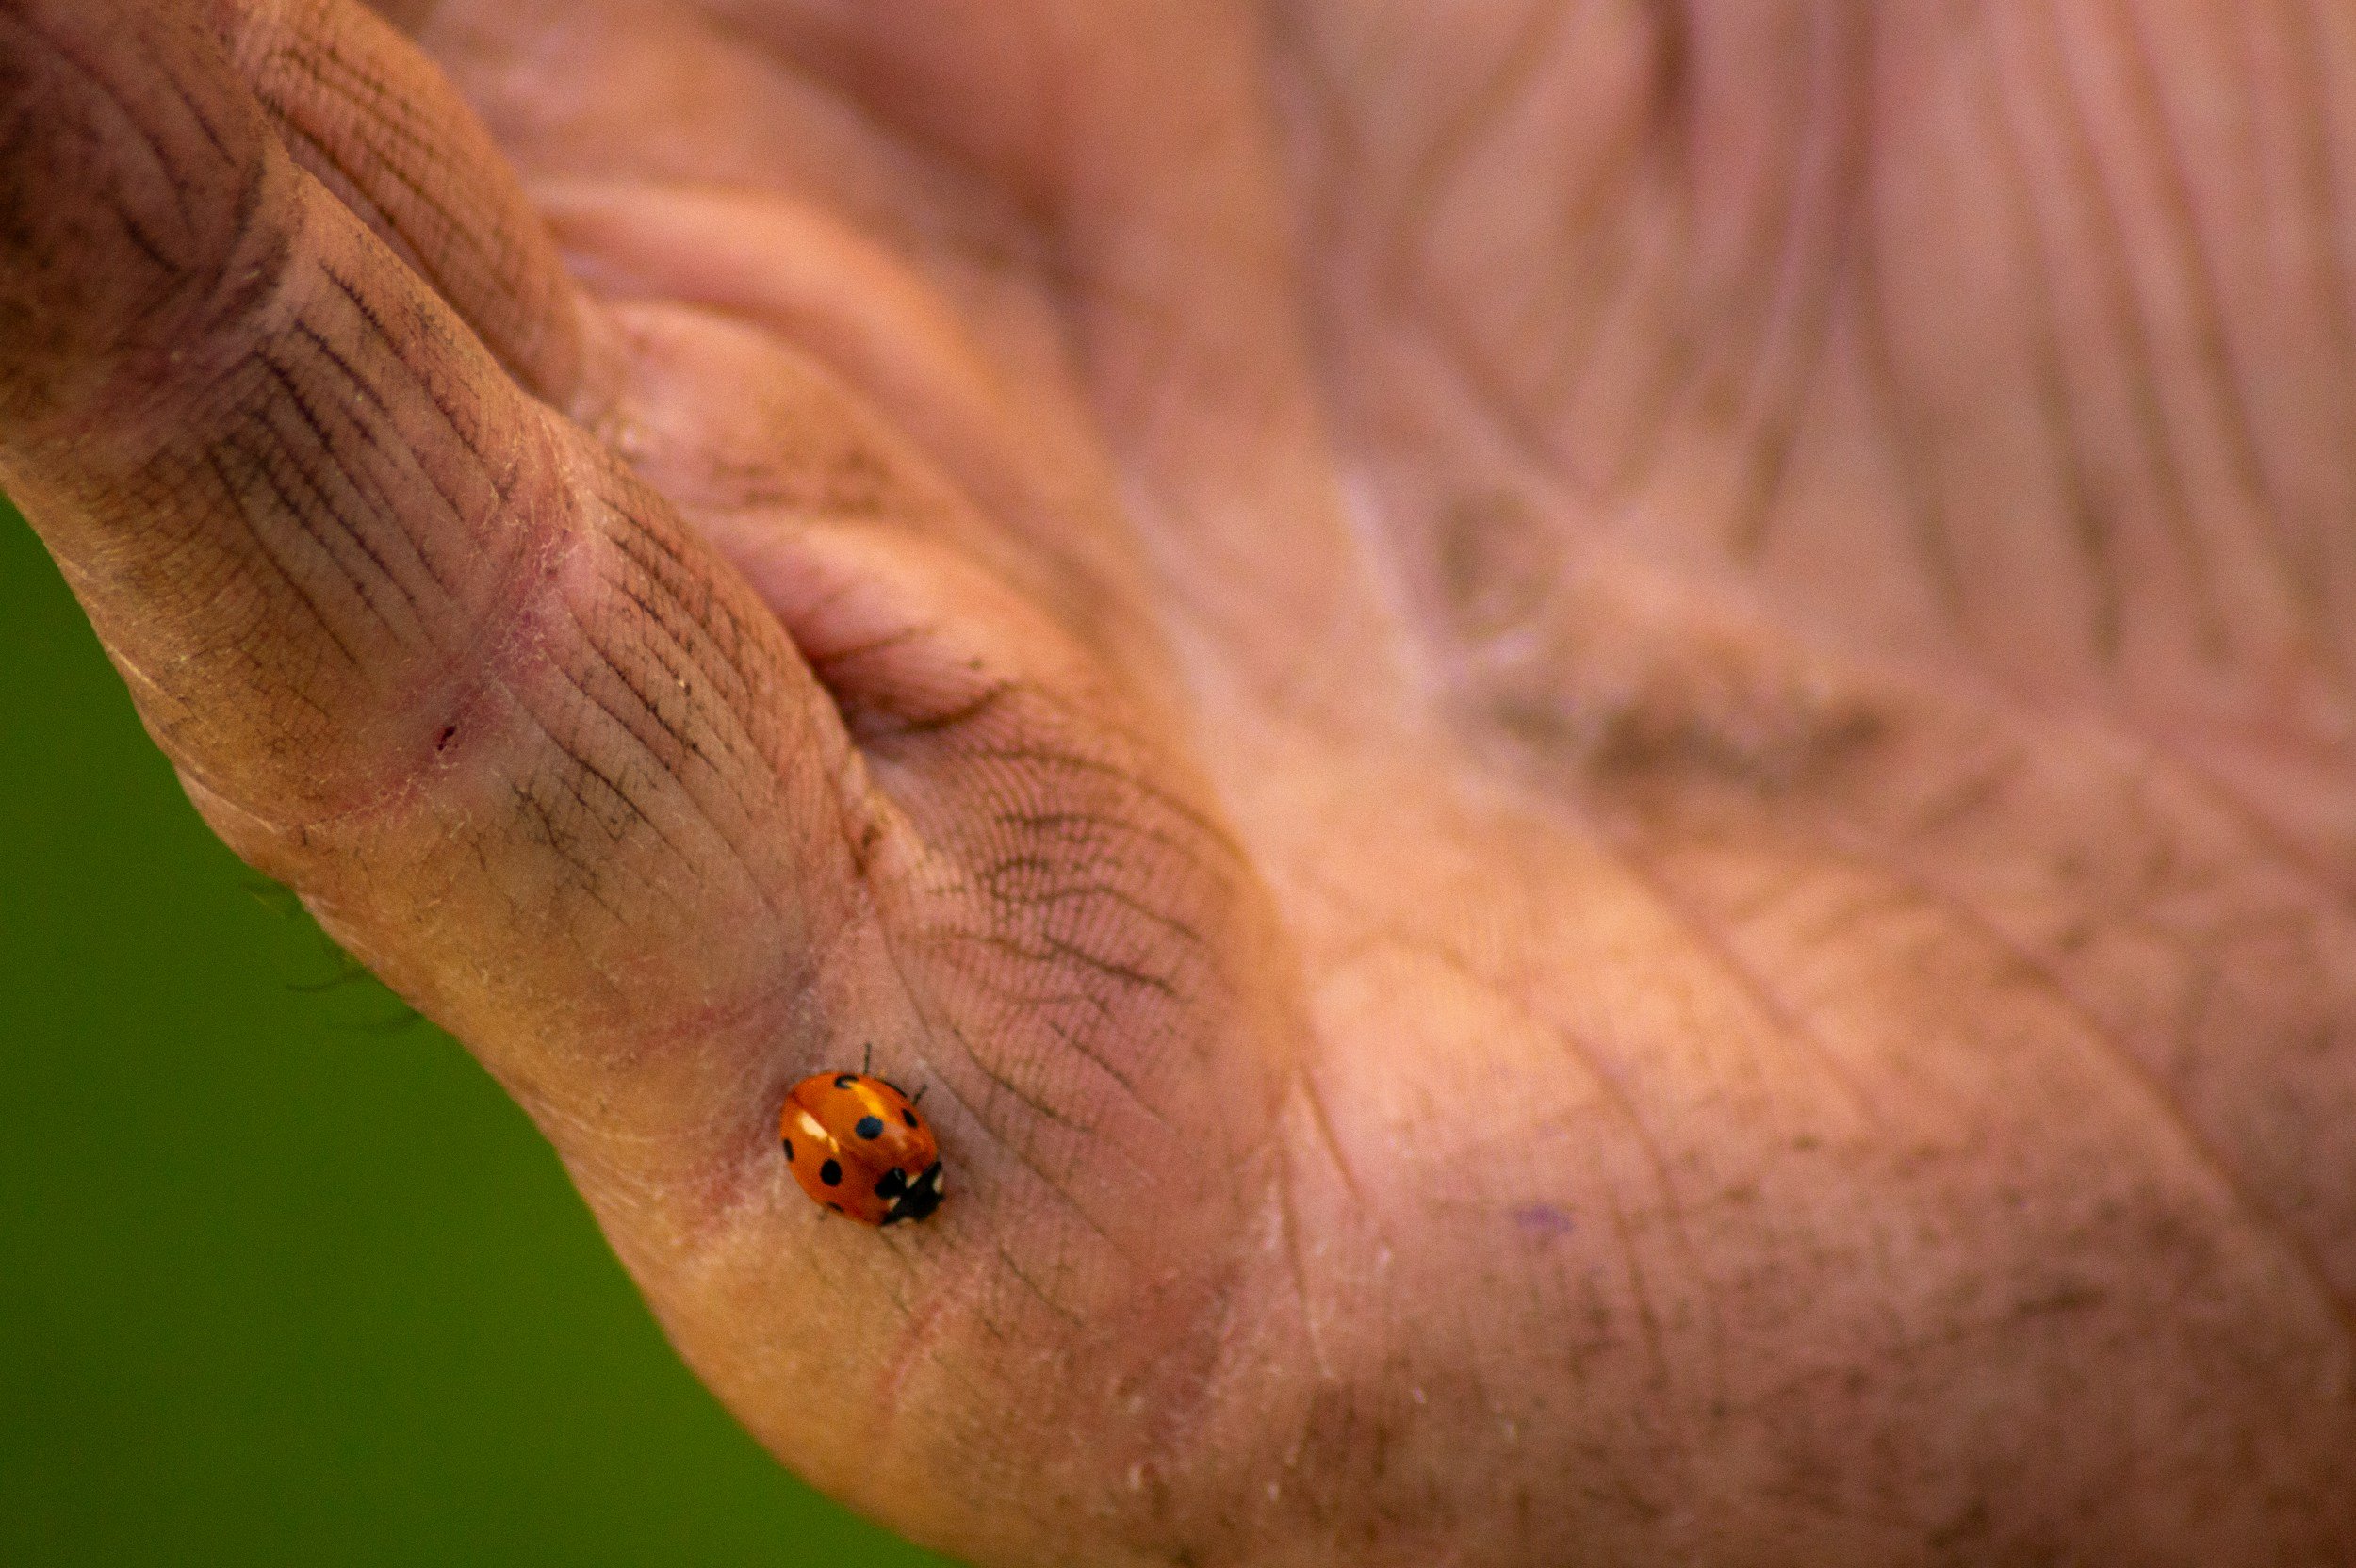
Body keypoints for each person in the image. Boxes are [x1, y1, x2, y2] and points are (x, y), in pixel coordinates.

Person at [4, 0, 2351, 1560]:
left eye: (874, 1158)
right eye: (879, 1160)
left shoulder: (880, 1139)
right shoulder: (876, 1133)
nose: (871, 1153)